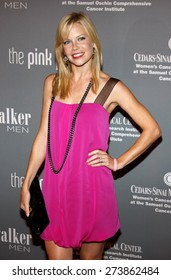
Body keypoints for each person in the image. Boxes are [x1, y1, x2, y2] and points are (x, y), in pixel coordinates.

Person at [20, 12, 161, 260]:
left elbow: (152, 129)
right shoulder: (51, 84)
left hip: (92, 189)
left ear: (93, 44)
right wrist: (27, 182)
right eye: (67, 41)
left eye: (81, 38)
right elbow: (43, 135)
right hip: (56, 188)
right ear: (61, 49)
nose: (74, 47)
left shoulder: (111, 87)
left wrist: (117, 162)